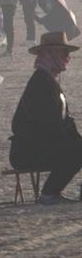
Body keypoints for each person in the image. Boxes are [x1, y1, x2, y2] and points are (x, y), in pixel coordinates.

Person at [9, 32, 82, 204]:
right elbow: (48, 124)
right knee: (77, 152)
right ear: (52, 54)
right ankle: (49, 194)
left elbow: (64, 122)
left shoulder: (48, 80)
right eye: (64, 53)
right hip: (28, 150)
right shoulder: (40, 83)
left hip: (42, 143)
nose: (67, 58)